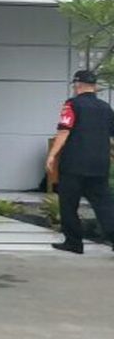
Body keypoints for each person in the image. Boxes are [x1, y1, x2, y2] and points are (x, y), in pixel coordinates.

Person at [45, 69, 114, 254]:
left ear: (77, 85)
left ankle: (73, 243)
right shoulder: (106, 108)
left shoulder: (72, 105)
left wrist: (52, 154)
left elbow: (64, 131)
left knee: (68, 205)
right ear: (95, 87)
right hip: (99, 165)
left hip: (74, 164)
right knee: (105, 206)